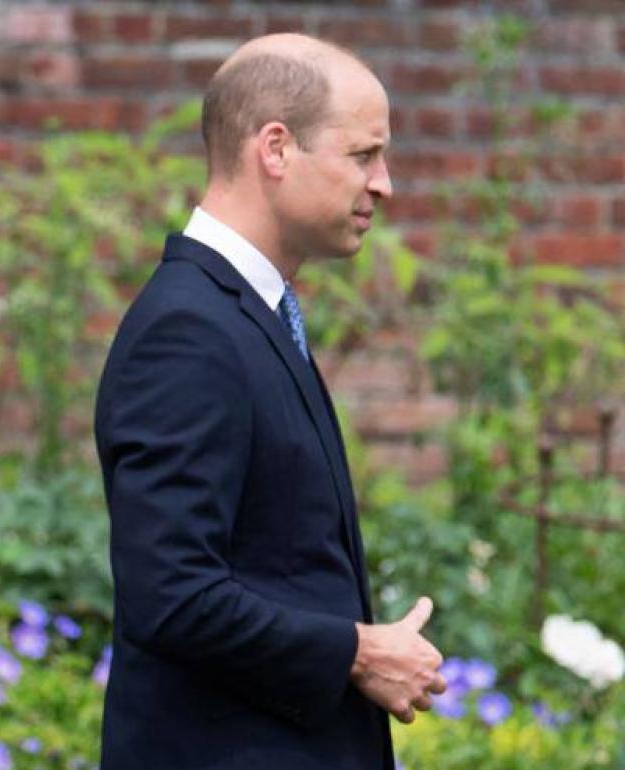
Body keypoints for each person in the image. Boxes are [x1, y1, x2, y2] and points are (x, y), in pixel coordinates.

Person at [94, 33, 445, 770]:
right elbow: (172, 594)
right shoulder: (189, 331)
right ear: (276, 149)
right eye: (362, 155)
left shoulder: (244, 314)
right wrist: (354, 651)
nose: (384, 184)